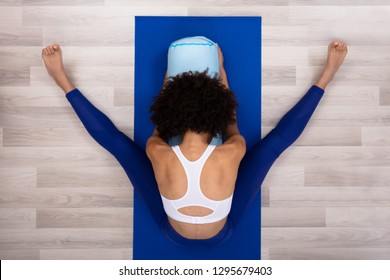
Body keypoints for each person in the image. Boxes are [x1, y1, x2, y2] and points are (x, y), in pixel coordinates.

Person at [41, 38, 347, 246]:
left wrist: (169, 78)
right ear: (216, 111)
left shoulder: (157, 151)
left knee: (117, 145)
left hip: (171, 231)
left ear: (170, 111)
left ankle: (61, 78)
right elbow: (232, 120)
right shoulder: (232, 150)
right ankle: (327, 75)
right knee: (274, 145)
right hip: (221, 232)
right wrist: (221, 66)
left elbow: (157, 120)